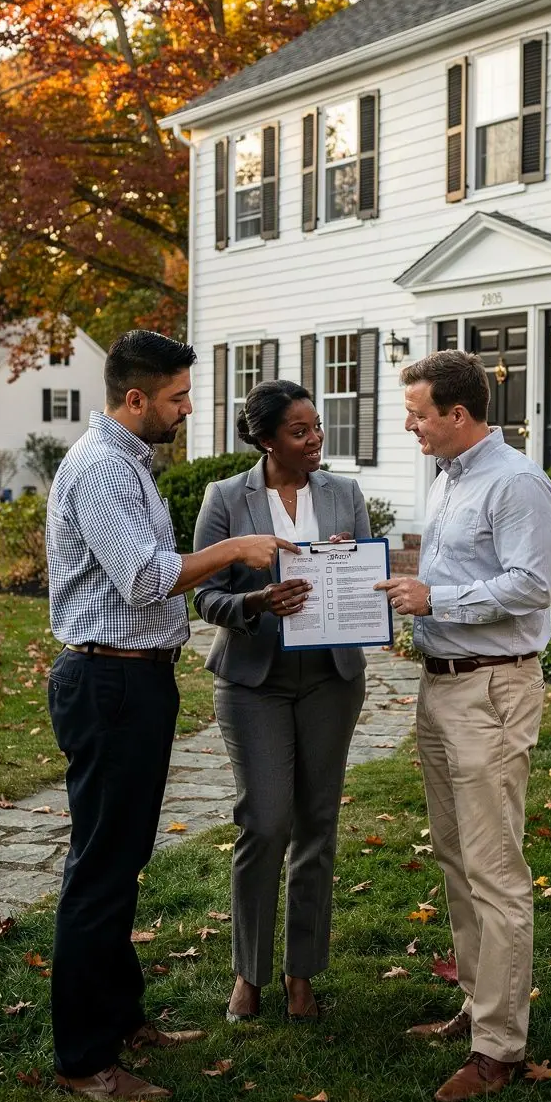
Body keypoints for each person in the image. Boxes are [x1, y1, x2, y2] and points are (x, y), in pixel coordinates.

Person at [45, 332, 298, 1102]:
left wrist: (246, 593)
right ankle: (87, 1060)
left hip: (135, 682)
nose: (189, 409)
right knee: (100, 871)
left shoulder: (129, 466)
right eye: (179, 397)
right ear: (136, 399)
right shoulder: (101, 471)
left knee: (121, 863)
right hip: (108, 684)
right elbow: (146, 579)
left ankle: (122, 1020)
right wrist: (236, 551)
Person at [376, 350, 551, 1102]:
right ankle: (480, 1007)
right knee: (456, 861)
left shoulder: (516, 482)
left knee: (495, 871)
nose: (411, 425)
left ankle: (501, 1050)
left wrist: (434, 600)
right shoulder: (451, 479)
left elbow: (530, 585)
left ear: (459, 413)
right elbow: (454, 575)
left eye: (419, 413)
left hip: (492, 692)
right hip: (442, 688)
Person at [193, 380, 369, 1022]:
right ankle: (250, 970)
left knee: (317, 826)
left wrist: (353, 580)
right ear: (266, 440)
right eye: (300, 432)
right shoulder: (225, 499)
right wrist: (255, 602)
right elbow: (202, 595)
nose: (315, 439)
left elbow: (366, 583)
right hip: (253, 682)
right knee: (265, 824)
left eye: (317, 427)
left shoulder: (345, 493)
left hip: (331, 678)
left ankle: (302, 974)